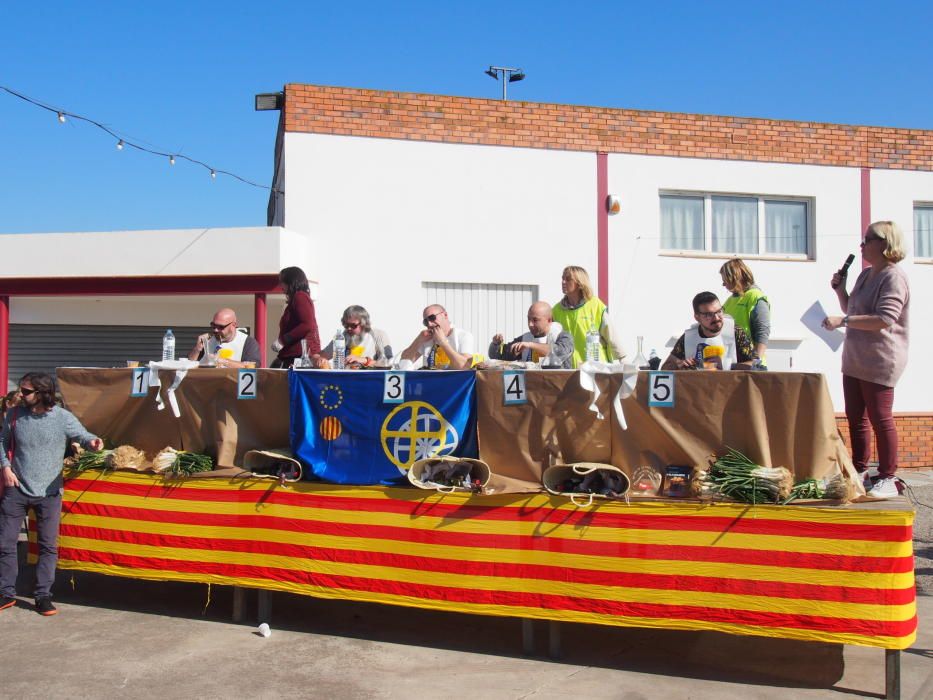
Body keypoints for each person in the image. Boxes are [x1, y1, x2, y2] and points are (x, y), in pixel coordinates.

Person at [1, 373, 103, 616]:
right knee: (5, 542)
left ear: (42, 394)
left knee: (48, 546)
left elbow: (83, 435)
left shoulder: (62, 418)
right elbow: (2, 442)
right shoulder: (14, 415)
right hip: (16, 488)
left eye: (26, 391)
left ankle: (43, 596)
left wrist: (94, 442)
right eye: (22, 390)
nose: (21, 395)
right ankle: (5, 592)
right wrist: (5, 467)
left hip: (49, 492)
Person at [822, 221, 910, 499]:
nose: (861, 245)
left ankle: (888, 477)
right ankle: (859, 471)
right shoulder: (864, 275)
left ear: (885, 244)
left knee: (881, 419)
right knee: (856, 418)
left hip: (880, 359)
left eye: (867, 239)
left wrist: (843, 320)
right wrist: (841, 291)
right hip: (855, 359)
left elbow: (884, 319)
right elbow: (853, 310)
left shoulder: (893, 277)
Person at [662, 292, 758, 370]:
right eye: (709, 315)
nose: (716, 318)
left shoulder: (735, 331)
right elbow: (665, 368)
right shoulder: (688, 337)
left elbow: (757, 364)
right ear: (697, 317)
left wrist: (725, 366)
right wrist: (678, 364)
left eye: (719, 311)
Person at [551, 266, 625, 367]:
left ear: (580, 283)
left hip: (596, 368)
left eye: (568, 279)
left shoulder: (595, 305)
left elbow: (610, 334)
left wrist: (622, 358)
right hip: (569, 369)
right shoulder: (556, 310)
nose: (563, 282)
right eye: (562, 279)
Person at [488, 301, 574, 368]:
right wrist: (496, 344)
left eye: (535, 320)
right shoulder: (525, 339)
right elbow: (499, 356)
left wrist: (531, 345)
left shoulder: (563, 337)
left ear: (549, 320)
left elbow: (559, 352)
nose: (530, 324)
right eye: (528, 319)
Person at [720, 259, 771, 367]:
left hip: (751, 366)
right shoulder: (729, 301)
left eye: (725, 279)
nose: (723, 284)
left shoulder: (755, 296)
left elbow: (762, 330)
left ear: (735, 277)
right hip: (733, 363)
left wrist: (755, 361)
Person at [271, 266, 321, 368]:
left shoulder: (300, 297)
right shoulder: (297, 298)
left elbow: (307, 325)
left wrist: (283, 340)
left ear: (290, 282)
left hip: (301, 356)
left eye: (282, 282)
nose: (281, 286)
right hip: (294, 355)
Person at [313, 305, 393, 368]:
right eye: (346, 325)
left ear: (364, 324)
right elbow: (319, 356)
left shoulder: (378, 335)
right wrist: (318, 359)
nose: (349, 328)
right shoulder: (342, 337)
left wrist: (364, 360)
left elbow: (389, 362)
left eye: (353, 325)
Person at [400, 305, 475, 369]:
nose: (429, 324)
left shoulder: (463, 336)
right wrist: (418, 340)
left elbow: (465, 366)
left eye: (432, 318)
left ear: (445, 315)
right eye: (425, 321)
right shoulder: (427, 338)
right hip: (431, 382)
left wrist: (443, 342)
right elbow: (403, 361)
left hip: (455, 384)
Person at [187, 308, 262, 368]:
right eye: (213, 325)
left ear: (233, 325)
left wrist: (223, 361)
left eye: (221, 327)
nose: (216, 330)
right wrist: (197, 348)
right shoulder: (208, 340)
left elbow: (252, 367)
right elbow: (189, 364)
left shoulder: (247, 342)